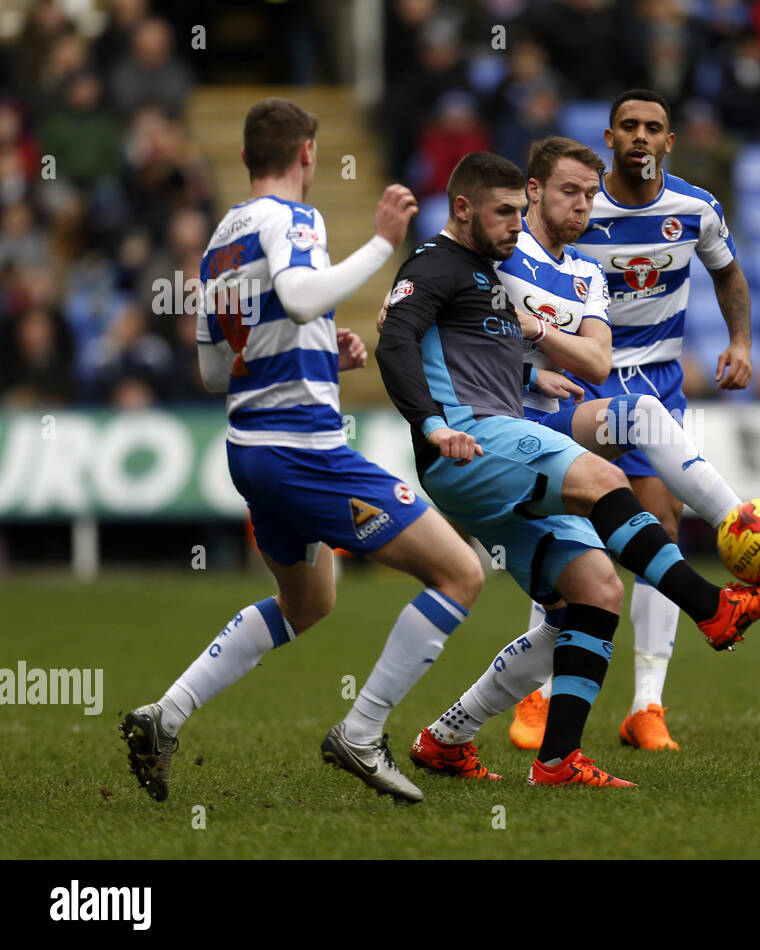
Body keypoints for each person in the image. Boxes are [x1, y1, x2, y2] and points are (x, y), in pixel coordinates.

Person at [395, 135, 760, 755]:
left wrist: (533, 336)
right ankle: (747, 530)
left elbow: (596, 359)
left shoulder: (586, 274)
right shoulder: (497, 245)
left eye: (590, 195)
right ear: (531, 192)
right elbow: (418, 319)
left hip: (552, 423)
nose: (583, 206)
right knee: (635, 422)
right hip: (498, 434)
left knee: (588, 597)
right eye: (569, 192)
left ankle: (453, 734)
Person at [121, 97, 485, 805]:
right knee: (460, 573)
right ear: (308, 155)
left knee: (308, 602)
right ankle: (362, 731)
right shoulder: (294, 218)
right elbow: (295, 293)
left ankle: (165, 714)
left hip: (250, 451)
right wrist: (381, 244)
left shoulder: (222, 237)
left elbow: (215, 371)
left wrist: (321, 355)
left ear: (245, 156)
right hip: (305, 451)